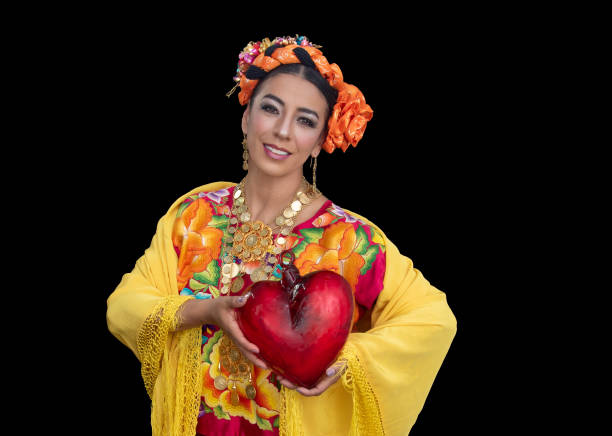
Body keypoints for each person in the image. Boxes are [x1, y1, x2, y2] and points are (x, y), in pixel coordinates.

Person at [106, 34, 457, 436]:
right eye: (271, 109)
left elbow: (432, 321)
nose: (283, 131)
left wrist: (346, 359)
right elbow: (125, 305)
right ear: (246, 116)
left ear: (319, 142)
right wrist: (202, 311)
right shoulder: (195, 216)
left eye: (305, 120)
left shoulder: (350, 241)